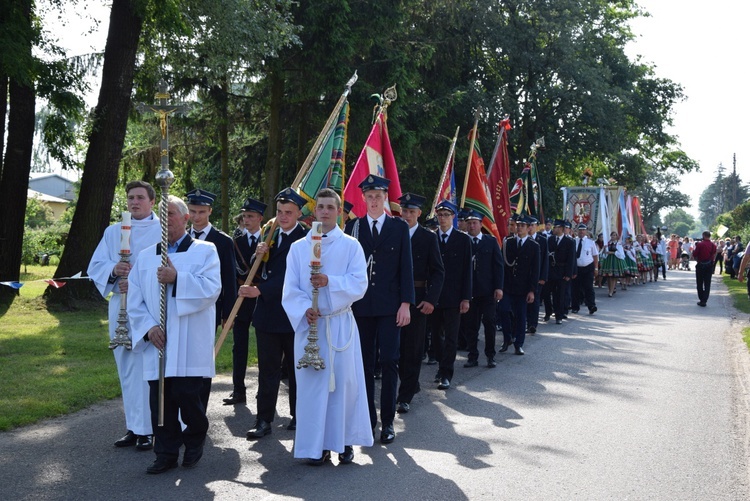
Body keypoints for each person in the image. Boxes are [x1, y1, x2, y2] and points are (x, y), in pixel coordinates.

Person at [128, 195, 221, 474]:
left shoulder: (206, 251)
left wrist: (178, 278)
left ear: (185, 218)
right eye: (161, 214)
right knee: (161, 402)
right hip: (158, 342)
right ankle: (165, 452)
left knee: (187, 396)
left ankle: (194, 439)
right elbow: (135, 299)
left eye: (170, 214)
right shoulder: (146, 257)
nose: (165, 220)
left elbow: (212, 288)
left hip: (190, 340)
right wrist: (148, 328)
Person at [283, 188, 374, 465]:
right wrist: (303, 309)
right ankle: (317, 446)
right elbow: (291, 288)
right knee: (313, 388)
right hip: (310, 326)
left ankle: (344, 442)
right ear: (314, 212)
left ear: (339, 212)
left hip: (339, 324)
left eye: (330, 207)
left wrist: (330, 282)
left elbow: (360, 283)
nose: (324, 212)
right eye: (320, 207)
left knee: (343, 386)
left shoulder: (351, 246)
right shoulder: (299, 248)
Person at [88, 180, 161, 451]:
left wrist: (139, 282)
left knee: (149, 369)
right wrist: (113, 270)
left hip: (150, 310)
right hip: (120, 308)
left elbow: (166, 267)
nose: (135, 202)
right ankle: (134, 427)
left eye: (141, 197)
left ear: (152, 202)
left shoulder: (163, 230)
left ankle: (153, 428)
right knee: (128, 371)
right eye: (131, 197)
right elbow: (96, 265)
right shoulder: (113, 231)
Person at [345, 174, 414, 444]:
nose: (374, 201)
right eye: (369, 196)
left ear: (386, 197)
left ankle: (387, 422)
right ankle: (366, 421)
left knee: (389, 361)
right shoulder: (354, 228)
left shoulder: (398, 227)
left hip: (390, 307)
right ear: (363, 198)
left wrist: (406, 303)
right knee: (362, 364)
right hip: (360, 307)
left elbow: (406, 267)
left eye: (378, 196)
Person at [242, 188, 307, 438]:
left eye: (288, 212)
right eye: (279, 212)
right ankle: (264, 420)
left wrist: (261, 290)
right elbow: (257, 269)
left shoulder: (308, 239)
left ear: (299, 213)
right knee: (267, 370)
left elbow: (295, 278)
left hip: (293, 315)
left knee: (296, 370)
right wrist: (257, 255)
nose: (283, 216)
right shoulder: (271, 233)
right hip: (268, 314)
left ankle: (299, 415)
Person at [395, 193, 444, 413]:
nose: (406, 216)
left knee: (412, 349)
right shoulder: (392, 233)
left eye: (411, 212)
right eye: (404, 211)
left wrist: (430, 300)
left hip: (418, 299)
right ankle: (410, 382)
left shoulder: (428, 238)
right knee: (394, 350)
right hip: (393, 299)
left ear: (419, 214)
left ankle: (404, 396)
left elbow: (438, 272)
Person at [223, 197, 267, 406]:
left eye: (250, 216)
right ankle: (238, 390)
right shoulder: (235, 241)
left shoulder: (269, 240)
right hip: (241, 296)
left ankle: (263, 391)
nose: (246, 220)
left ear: (260, 218)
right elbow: (232, 273)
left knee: (264, 347)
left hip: (261, 297)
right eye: (244, 216)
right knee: (239, 346)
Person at [430, 200, 472, 389]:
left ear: (453, 217)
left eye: (446, 215)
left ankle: (447, 373)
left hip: (454, 297)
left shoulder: (463, 240)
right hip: (434, 297)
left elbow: (467, 271)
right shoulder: (431, 238)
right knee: (435, 336)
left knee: (451, 337)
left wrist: (466, 298)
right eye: (440, 215)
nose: (443, 219)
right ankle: (441, 365)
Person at [464, 209, 503, 367]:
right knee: (471, 326)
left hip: (488, 291)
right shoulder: (463, 241)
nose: (472, 226)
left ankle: (490, 355)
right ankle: (472, 355)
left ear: (481, 224)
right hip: (470, 291)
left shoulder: (491, 241)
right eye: (469, 223)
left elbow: (498, 266)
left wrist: (499, 287)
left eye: (474, 223)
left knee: (489, 323)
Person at [500, 215, 539, 355]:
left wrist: (532, 290)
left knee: (521, 315)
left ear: (528, 228)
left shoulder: (534, 246)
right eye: (518, 225)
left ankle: (518, 343)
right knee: (503, 310)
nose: (519, 228)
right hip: (507, 285)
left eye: (523, 226)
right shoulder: (508, 242)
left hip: (523, 287)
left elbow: (535, 270)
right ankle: (507, 338)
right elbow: (502, 265)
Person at [545, 219, 575, 325]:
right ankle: (548, 312)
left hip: (562, 271)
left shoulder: (569, 242)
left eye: (556, 227)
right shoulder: (550, 240)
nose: (554, 229)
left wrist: (568, 274)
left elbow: (571, 259)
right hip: (550, 271)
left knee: (560, 295)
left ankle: (559, 315)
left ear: (561, 229)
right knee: (547, 293)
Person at [526, 216, 547, 334]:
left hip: (537, 277)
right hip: (524, 277)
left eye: (532, 225)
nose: (530, 228)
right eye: (528, 225)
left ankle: (532, 324)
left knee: (535, 301)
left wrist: (543, 277)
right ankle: (525, 322)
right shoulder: (522, 239)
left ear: (536, 226)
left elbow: (545, 260)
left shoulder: (542, 240)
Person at [571, 223, 598, 315]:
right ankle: (575, 307)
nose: (581, 231)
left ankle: (591, 306)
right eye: (580, 230)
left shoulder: (591, 242)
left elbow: (595, 256)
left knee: (589, 288)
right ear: (576, 231)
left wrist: (596, 268)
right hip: (577, 268)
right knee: (575, 288)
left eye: (583, 230)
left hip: (588, 267)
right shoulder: (573, 241)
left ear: (586, 231)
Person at [693, 231, 717, 307]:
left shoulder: (700, 244)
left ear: (703, 235)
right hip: (709, 265)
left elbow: (695, 254)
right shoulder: (713, 245)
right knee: (707, 283)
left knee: (699, 282)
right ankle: (705, 299)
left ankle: (701, 298)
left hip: (701, 264)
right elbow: (714, 253)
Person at [600, 231, 626, 297]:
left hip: (615, 260)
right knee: (608, 277)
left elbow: (621, 254)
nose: (613, 236)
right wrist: (604, 249)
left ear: (616, 236)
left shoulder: (618, 244)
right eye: (612, 235)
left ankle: (611, 291)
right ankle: (610, 289)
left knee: (613, 277)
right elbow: (603, 253)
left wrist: (612, 253)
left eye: (614, 235)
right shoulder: (608, 243)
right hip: (608, 261)